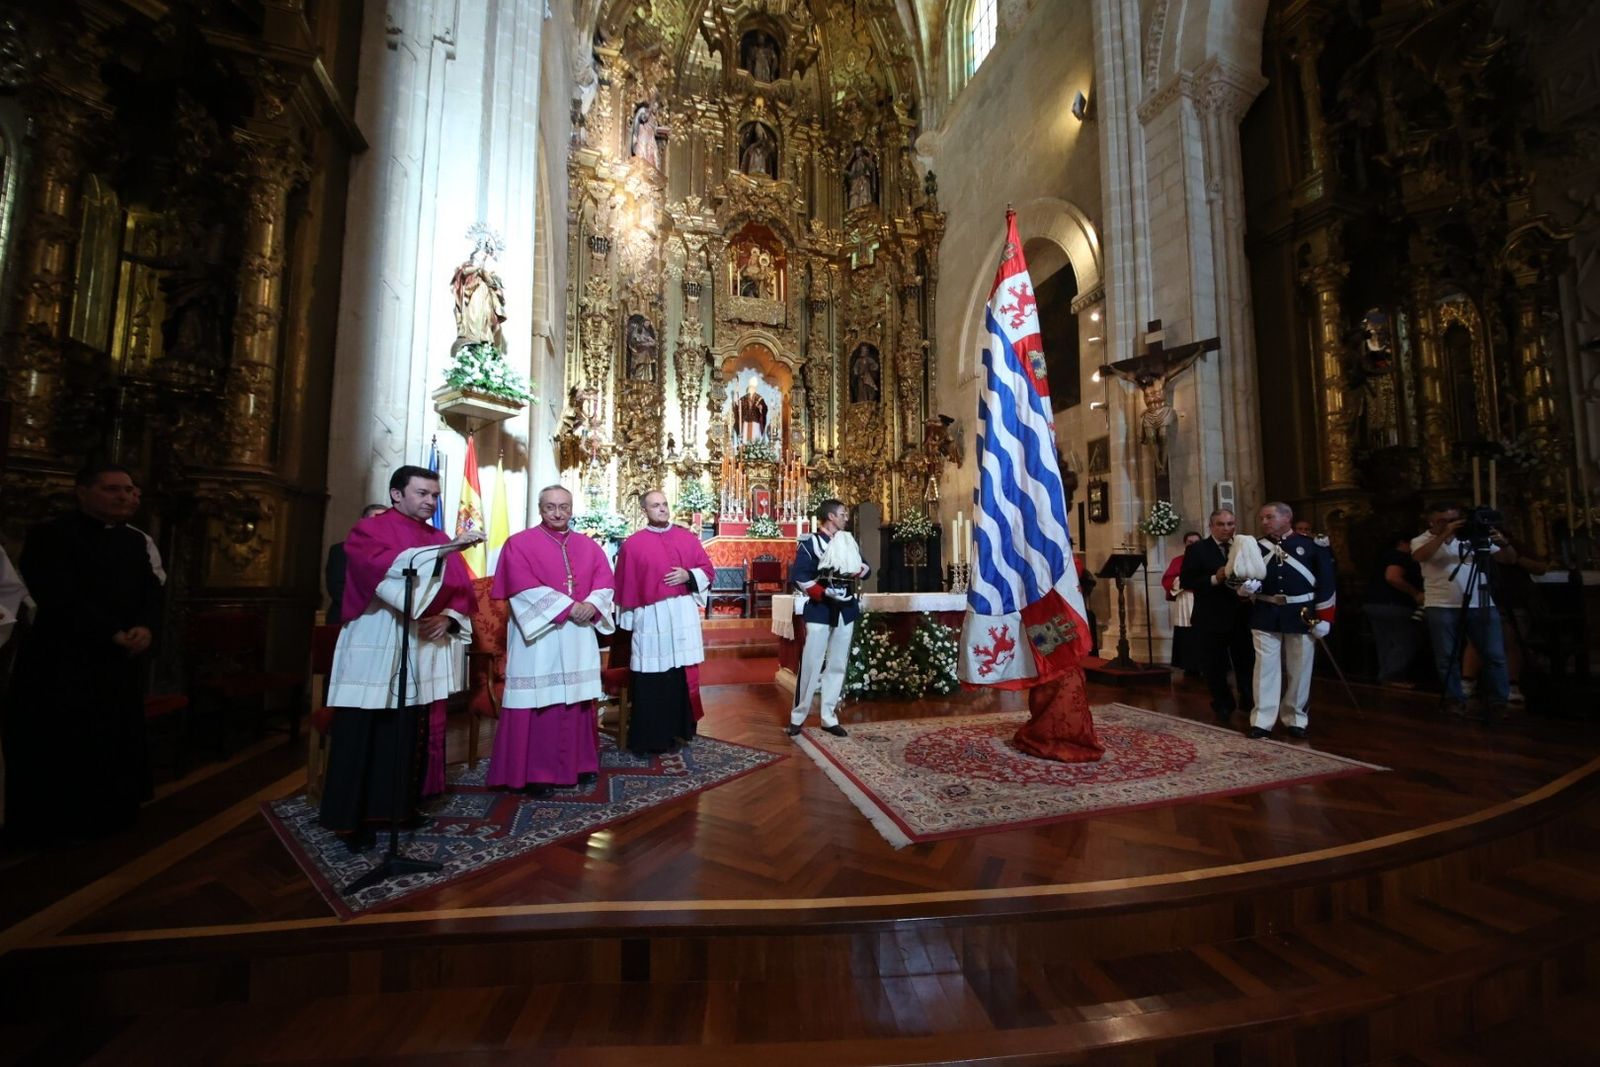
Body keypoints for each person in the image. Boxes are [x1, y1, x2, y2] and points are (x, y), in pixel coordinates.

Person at [320, 467, 479, 850]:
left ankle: (394, 809)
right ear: (396, 494)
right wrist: (443, 552)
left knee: (406, 731)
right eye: (422, 493)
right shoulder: (370, 532)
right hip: (376, 641)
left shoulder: (439, 538)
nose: (430, 501)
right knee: (363, 731)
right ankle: (349, 820)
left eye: (434, 495)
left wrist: (448, 618)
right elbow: (385, 576)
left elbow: (461, 589)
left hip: (419, 646)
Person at [4, 464, 162, 843]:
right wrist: (110, 632)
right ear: (82, 492)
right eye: (112, 489)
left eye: (128, 489)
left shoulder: (135, 541)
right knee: (62, 742)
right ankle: (56, 823)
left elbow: (151, 590)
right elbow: (55, 594)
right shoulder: (50, 536)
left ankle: (110, 814)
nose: (124, 496)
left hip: (117, 663)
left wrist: (145, 625)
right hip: (62, 660)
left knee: (112, 740)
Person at [488, 485, 615, 796]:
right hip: (539, 638)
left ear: (572, 509)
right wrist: (569, 608)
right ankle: (535, 773)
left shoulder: (589, 545)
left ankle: (580, 764)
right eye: (550, 507)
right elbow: (520, 586)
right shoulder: (518, 544)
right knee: (540, 702)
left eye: (564, 507)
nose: (558, 513)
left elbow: (605, 579)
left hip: (578, 634)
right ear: (540, 509)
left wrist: (592, 605)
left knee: (577, 700)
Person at [613, 490, 716, 756]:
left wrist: (688, 574)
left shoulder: (687, 538)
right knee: (651, 675)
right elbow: (626, 585)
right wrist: (629, 620)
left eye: (664, 504)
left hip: (681, 612)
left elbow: (706, 570)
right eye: (655, 505)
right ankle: (650, 738)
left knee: (678, 673)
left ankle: (680, 730)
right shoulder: (633, 545)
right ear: (644, 511)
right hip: (650, 616)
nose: (662, 509)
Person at [1241, 502, 1337, 740]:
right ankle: (1262, 720)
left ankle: (1295, 718)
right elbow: (1241, 575)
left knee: (1300, 668)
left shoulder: (1311, 545)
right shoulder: (1255, 547)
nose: (1264, 522)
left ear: (1287, 518)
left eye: (1269, 517)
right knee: (1265, 669)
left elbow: (1327, 583)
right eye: (1262, 518)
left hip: (1301, 613)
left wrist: (1325, 618)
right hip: (1266, 610)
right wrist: (1244, 589)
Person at [1411, 502, 1516, 716]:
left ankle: (1498, 700)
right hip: (1441, 605)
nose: (1451, 524)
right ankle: (1454, 698)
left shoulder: (1472, 537)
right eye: (1444, 521)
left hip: (1480, 602)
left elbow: (1509, 559)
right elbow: (1420, 556)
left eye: (1454, 520)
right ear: (1431, 521)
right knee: (1446, 656)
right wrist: (1444, 535)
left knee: (1494, 653)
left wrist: (1504, 543)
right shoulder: (1421, 540)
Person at [787, 499, 871, 738]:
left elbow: (866, 568)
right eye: (843, 514)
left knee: (837, 664)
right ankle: (798, 716)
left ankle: (828, 717)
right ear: (831, 517)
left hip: (845, 609)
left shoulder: (847, 541)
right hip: (821, 609)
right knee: (812, 663)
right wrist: (823, 594)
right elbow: (800, 576)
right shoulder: (810, 542)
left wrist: (852, 567)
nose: (847, 517)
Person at [1179, 510, 1254, 724]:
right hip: (1210, 617)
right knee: (1215, 667)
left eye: (1230, 524)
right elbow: (1187, 580)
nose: (1226, 528)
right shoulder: (1198, 550)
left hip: (1241, 615)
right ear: (1211, 526)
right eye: (1220, 524)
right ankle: (1223, 703)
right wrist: (1214, 578)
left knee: (1245, 662)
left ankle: (1248, 700)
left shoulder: (1243, 546)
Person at [1363, 531, 1425, 686]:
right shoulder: (1400, 556)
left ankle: (1388, 676)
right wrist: (1416, 593)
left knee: (1385, 642)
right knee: (1405, 640)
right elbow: (1392, 577)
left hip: (1374, 602)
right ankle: (1392, 676)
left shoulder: (1385, 555)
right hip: (1394, 604)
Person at [325, 504, 389, 626]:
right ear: (363, 523)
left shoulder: (395, 553)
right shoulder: (340, 550)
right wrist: (368, 607)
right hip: (347, 619)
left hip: (381, 620)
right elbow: (337, 587)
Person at [1161, 531, 1203, 675]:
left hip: (1203, 599)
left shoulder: (1206, 559)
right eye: (1190, 542)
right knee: (1187, 633)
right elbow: (1168, 580)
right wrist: (1182, 581)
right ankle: (1188, 664)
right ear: (1185, 544)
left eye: (1196, 542)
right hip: (1185, 599)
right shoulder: (1178, 561)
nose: (1193, 545)